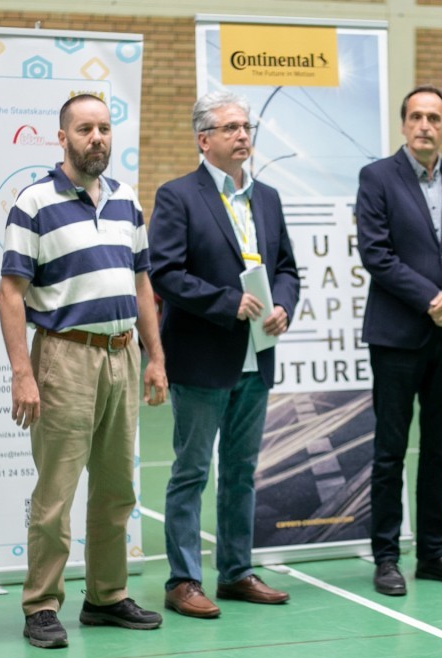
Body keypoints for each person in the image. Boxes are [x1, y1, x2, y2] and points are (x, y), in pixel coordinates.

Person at [0, 94, 168, 648]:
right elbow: (11, 292)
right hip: (64, 356)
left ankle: (106, 597)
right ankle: (41, 605)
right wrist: (22, 372)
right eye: (84, 129)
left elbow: (141, 283)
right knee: (56, 493)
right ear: (63, 138)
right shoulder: (34, 202)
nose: (97, 138)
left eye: (104, 128)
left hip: (123, 355)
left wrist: (155, 357)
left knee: (117, 489)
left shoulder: (126, 201)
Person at [148, 91, 300, 619]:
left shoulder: (268, 198)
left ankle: (236, 572)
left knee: (241, 471)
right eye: (230, 127)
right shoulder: (178, 196)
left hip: (257, 356)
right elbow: (165, 272)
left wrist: (282, 306)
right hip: (201, 357)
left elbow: (287, 268)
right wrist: (226, 303)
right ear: (203, 139)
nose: (242, 135)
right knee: (191, 471)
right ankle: (183, 580)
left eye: (246, 127)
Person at [355, 85, 442, 597]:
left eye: (434, 117)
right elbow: (376, 253)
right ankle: (386, 557)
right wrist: (432, 298)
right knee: (389, 451)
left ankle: (433, 552)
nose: (425, 125)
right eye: (416, 116)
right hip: (396, 336)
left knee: (439, 450)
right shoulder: (377, 178)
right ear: (404, 124)